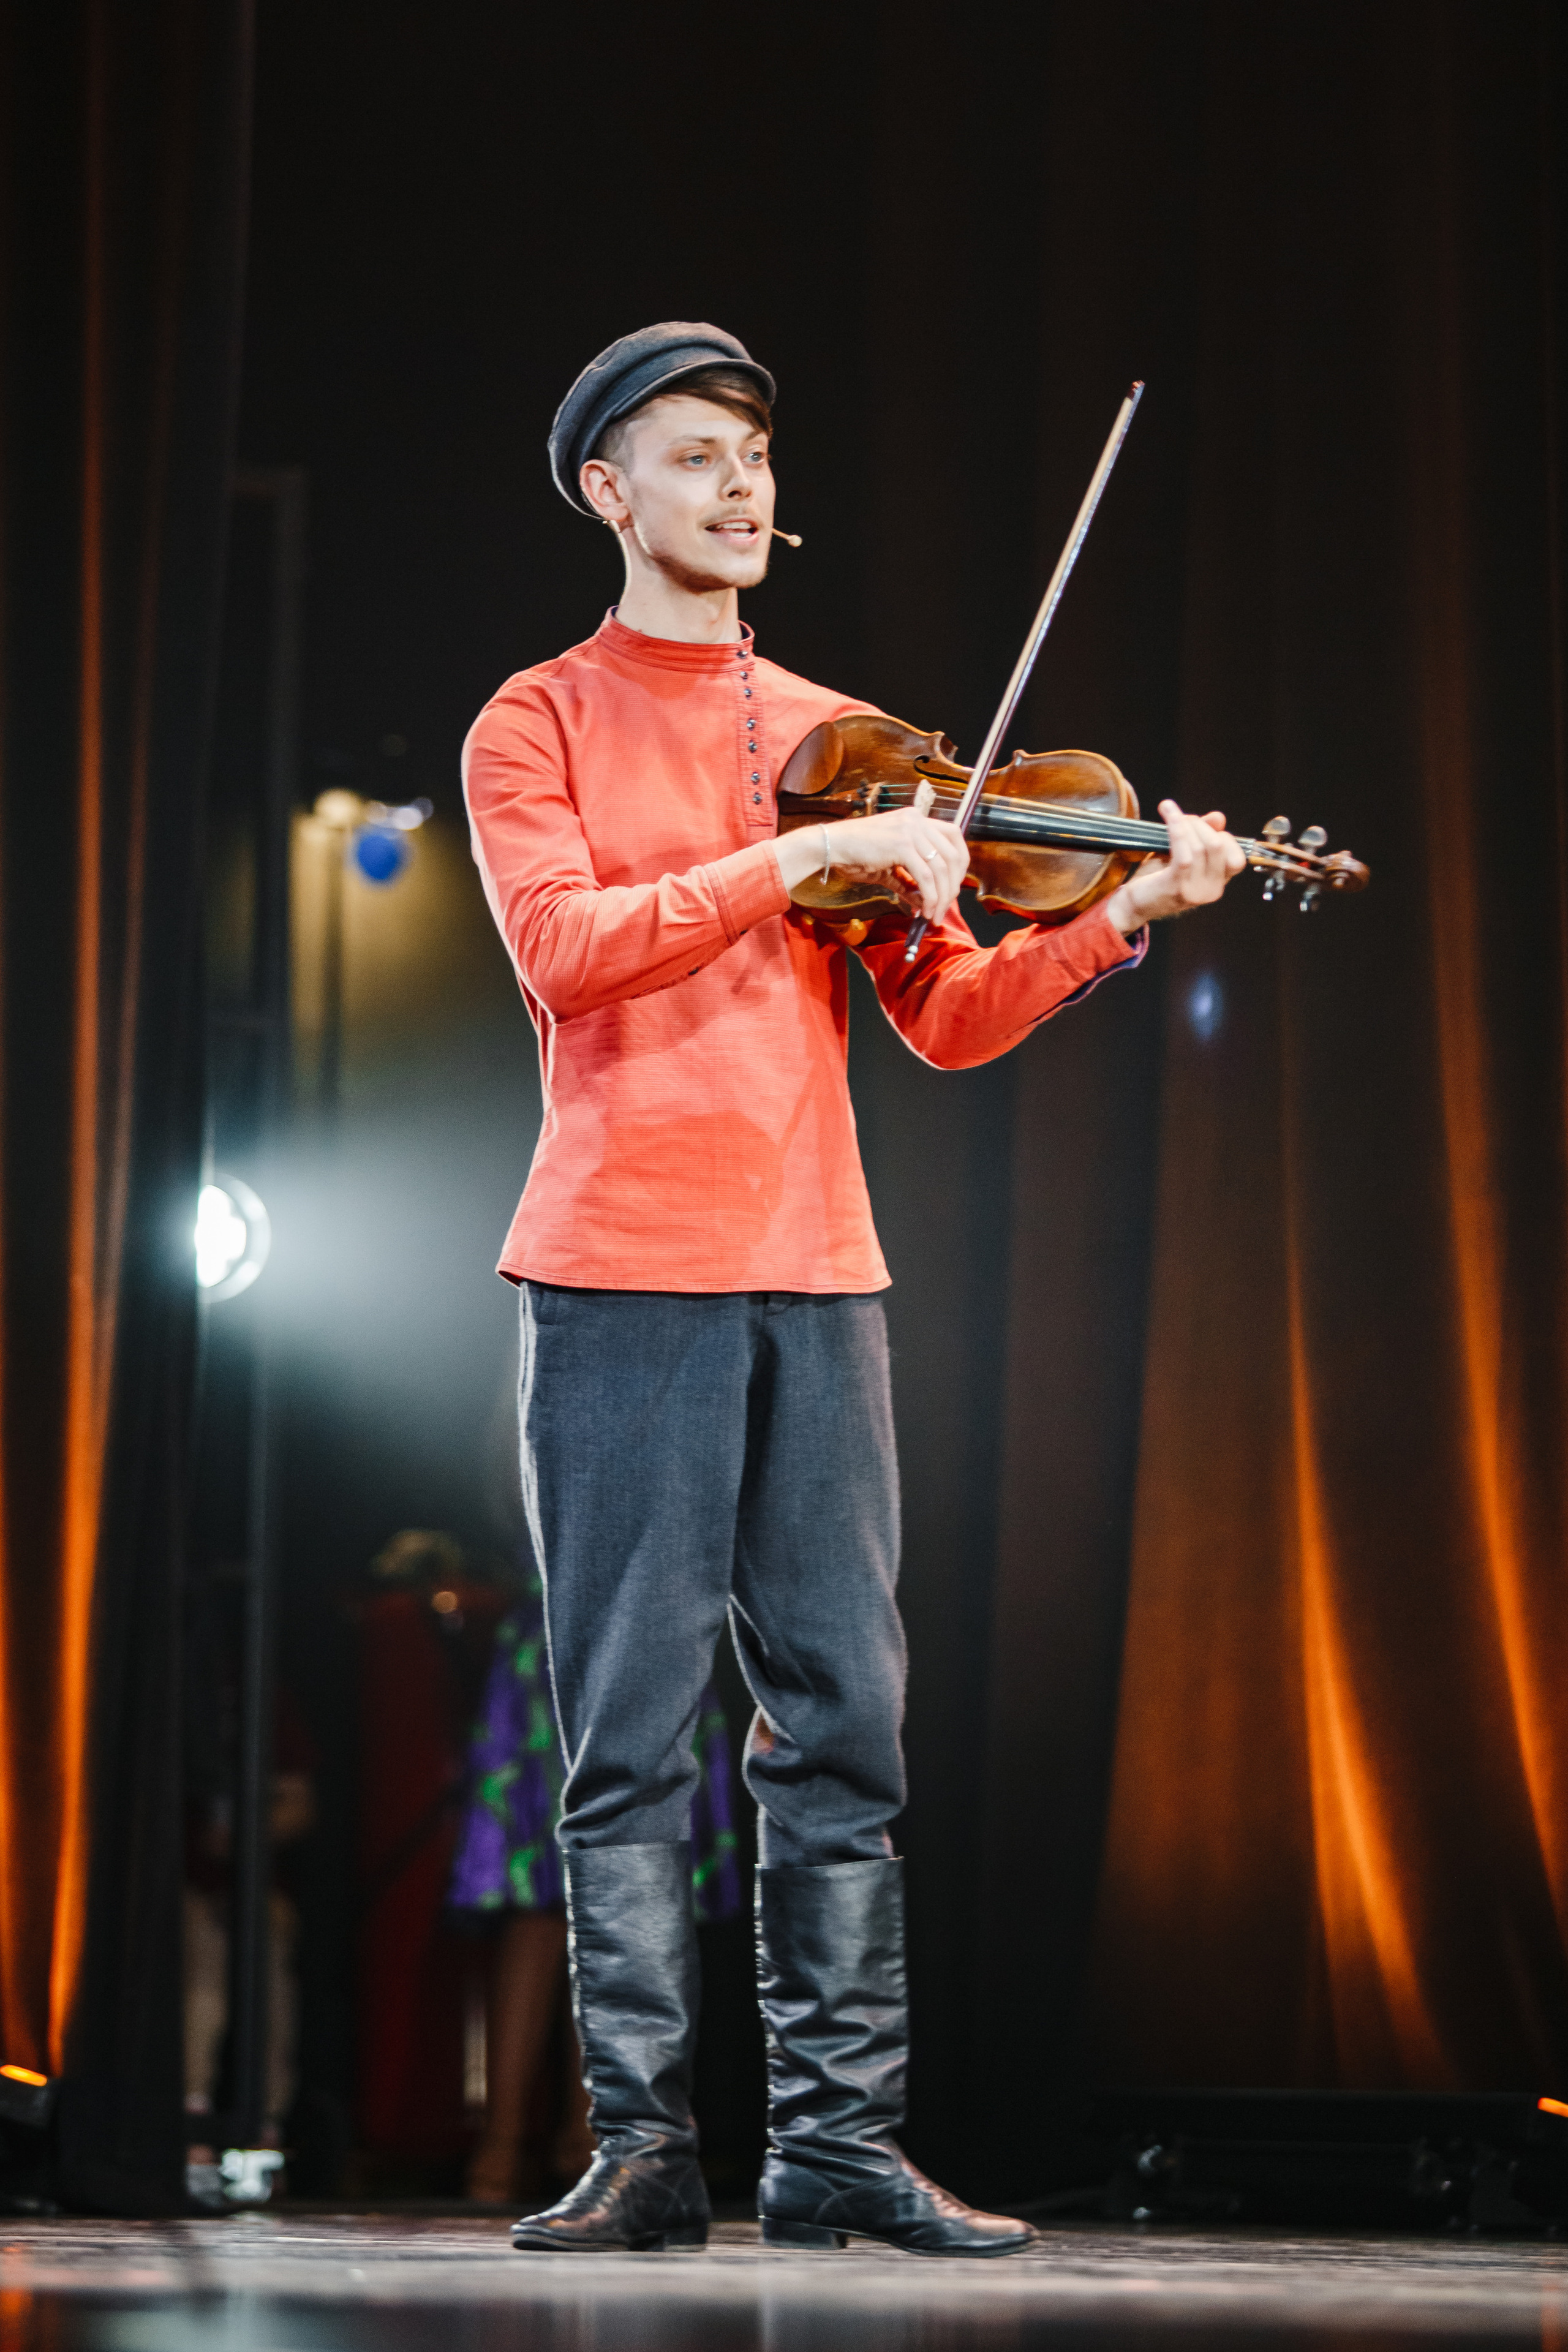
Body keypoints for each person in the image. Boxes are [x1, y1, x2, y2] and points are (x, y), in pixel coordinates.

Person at [462, 322, 1243, 2259]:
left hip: (818, 1269)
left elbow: (951, 1018)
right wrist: (799, 850)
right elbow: (567, 951)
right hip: (619, 1265)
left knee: (847, 1717)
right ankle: (642, 2145)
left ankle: (833, 2143)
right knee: (629, 1721)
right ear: (607, 488)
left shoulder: (849, 735)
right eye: (696, 454)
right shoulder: (536, 721)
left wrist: (1118, 921)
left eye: (755, 457)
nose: (741, 485)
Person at [448, 1563, 741, 2202]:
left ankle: (591, 2144)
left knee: (625, 1898)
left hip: (661, 1621)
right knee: (541, 1904)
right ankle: (503, 2148)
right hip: (564, 1623)